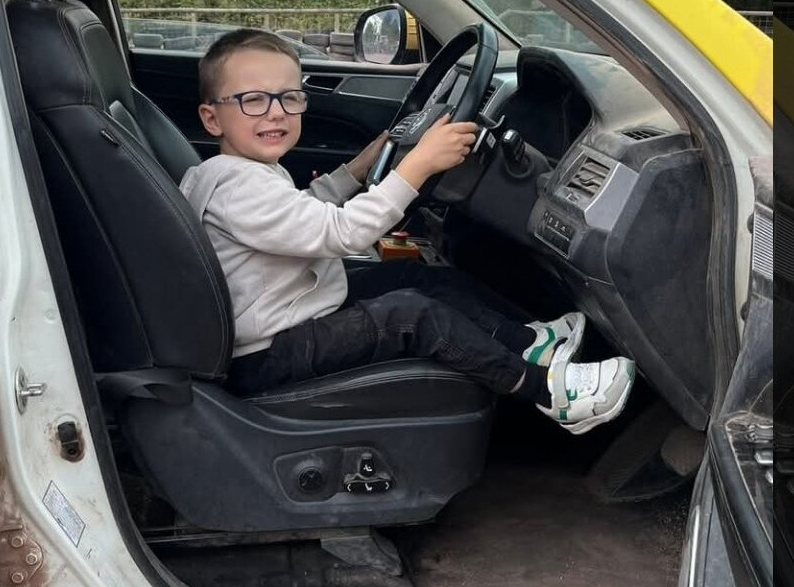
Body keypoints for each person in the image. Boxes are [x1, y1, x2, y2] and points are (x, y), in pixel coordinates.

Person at [179, 29, 634, 434]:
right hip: (265, 355)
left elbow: (303, 212)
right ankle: (549, 393)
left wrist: (361, 166)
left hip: (282, 314)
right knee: (410, 314)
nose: (275, 113)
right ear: (212, 119)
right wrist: (417, 164)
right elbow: (342, 233)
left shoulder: (231, 172)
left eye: (289, 97)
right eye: (253, 100)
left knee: (413, 276)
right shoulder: (238, 187)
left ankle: (530, 344)